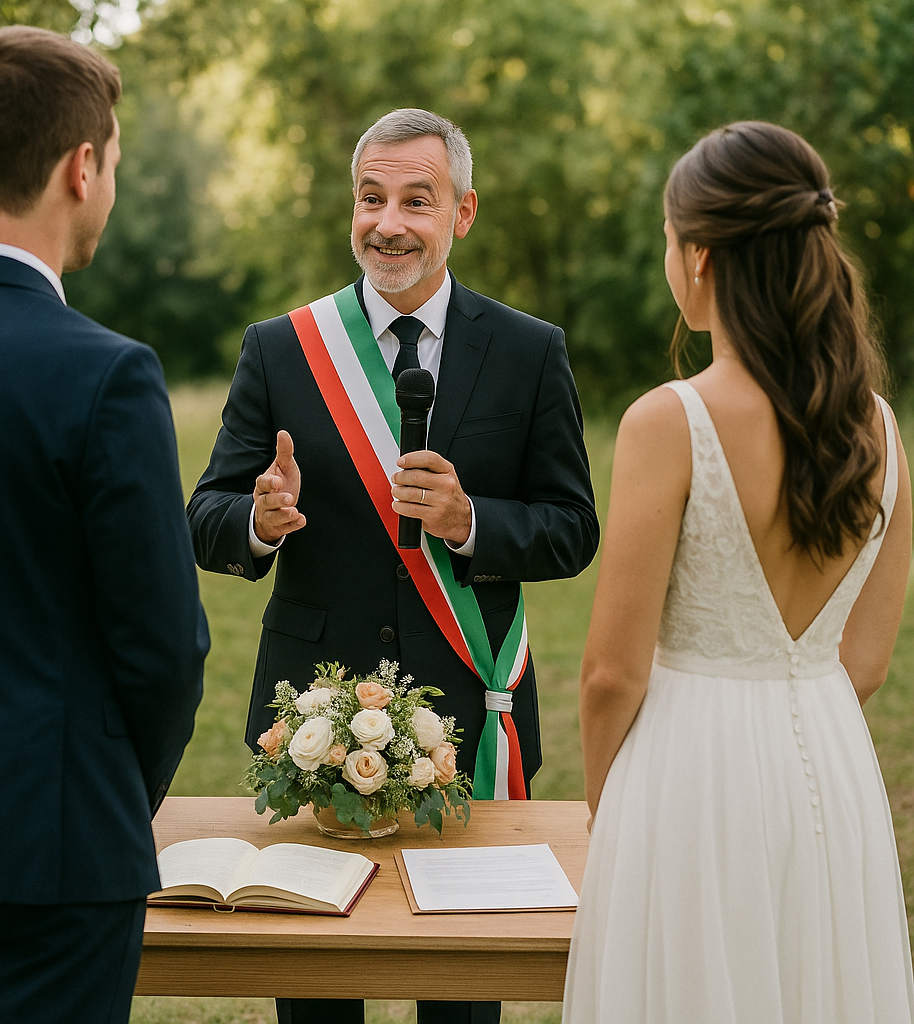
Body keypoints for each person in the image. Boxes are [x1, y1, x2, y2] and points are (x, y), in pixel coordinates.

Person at [188, 108, 599, 1024]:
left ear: (463, 211)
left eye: (418, 198)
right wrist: (258, 519)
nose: (389, 221)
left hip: (466, 709)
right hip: (312, 714)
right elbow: (204, 517)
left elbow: (573, 528)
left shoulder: (531, 351)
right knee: (317, 991)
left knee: (460, 992)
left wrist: (470, 521)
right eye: (371, 198)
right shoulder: (283, 347)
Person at [0, 26, 208, 1024]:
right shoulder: (105, 373)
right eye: (112, 160)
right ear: (82, 167)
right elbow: (162, 647)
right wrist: (109, 796)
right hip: (57, 853)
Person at [563, 121, 914, 1023]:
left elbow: (611, 672)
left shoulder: (667, 420)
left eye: (668, 242)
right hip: (830, 767)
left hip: (688, 775)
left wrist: (613, 809)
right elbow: (866, 662)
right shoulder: (879, 425)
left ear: (702, 255)